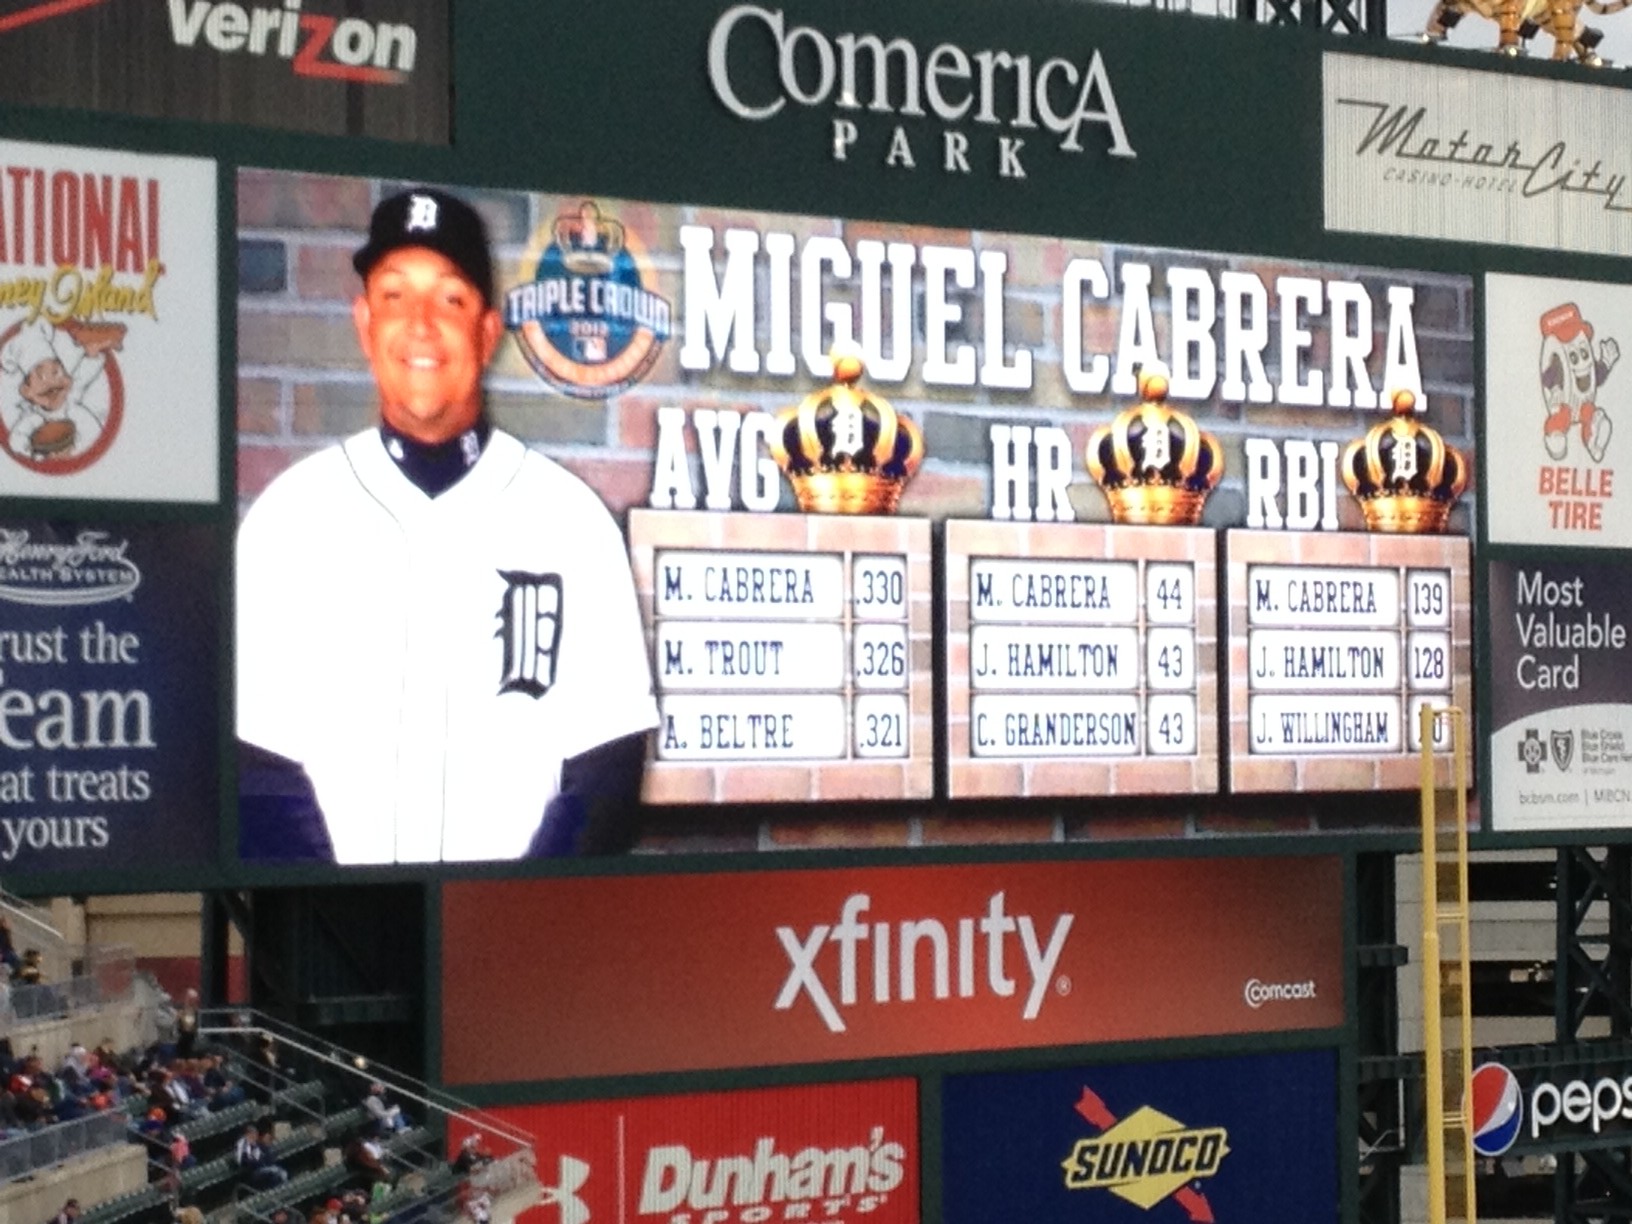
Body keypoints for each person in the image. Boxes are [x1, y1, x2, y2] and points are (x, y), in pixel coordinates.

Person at [236, 186, 657, 865]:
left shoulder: (572, 522)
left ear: (487, 333)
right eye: (395, 295)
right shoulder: (290, 518)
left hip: (519, 926)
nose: (421, 325)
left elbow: (608, 773)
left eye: (451, 299)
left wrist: (508, 914)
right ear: (364, 323)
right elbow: (257, 768)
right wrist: (344, 911)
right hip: (334, 925)